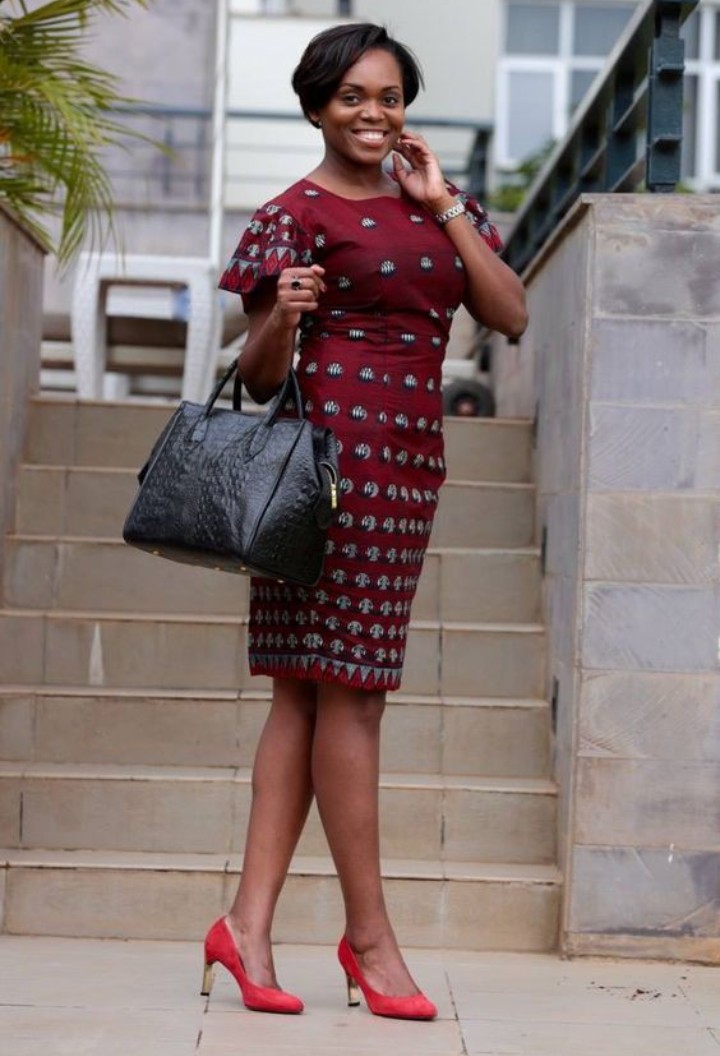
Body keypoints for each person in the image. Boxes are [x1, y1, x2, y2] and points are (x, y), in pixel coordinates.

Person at [202, 22, 527, 1020]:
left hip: (407, 466)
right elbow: (261, 378)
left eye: (389, 97)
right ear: (316, 107)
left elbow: (509, 313)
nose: (373, 114)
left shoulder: (437, 202)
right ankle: (371, 940)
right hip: (322, 469)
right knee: (342, 694)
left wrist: (443, 206)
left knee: (312, 695)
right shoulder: (289, 216)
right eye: (352, 96)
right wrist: (283, 315)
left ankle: (246, 927)